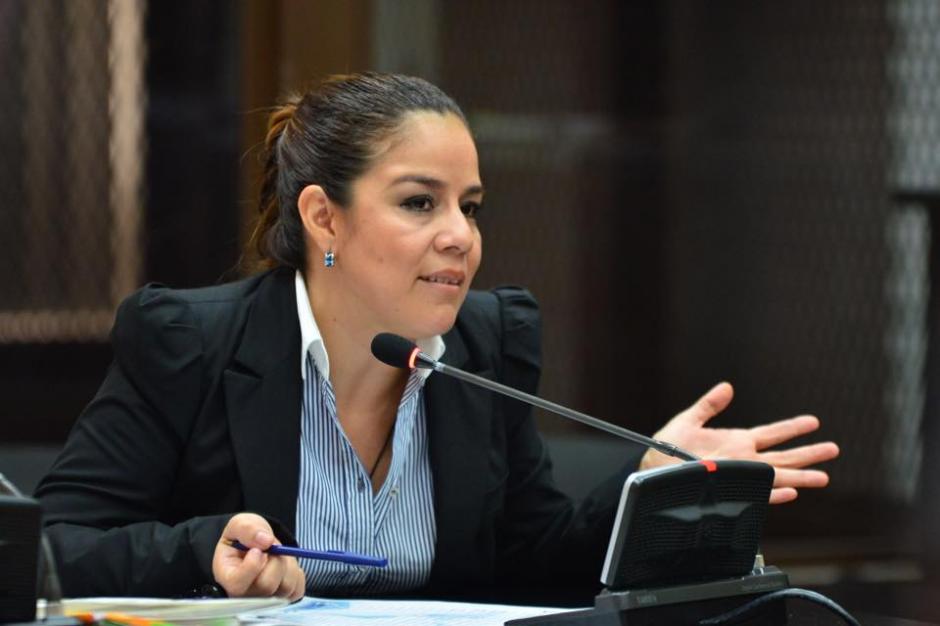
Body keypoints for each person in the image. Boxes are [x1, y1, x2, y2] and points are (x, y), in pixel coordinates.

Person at [35, 73, 839, 604]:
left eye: (472, 206)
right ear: (323, 217)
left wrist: (648, 482)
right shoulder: (190, 343)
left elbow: (532, 561)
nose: (461, 236)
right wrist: (203, 551)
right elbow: (51, 549)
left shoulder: (485, 346)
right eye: (421, 203)